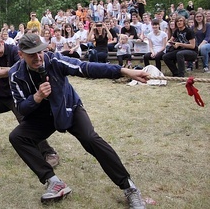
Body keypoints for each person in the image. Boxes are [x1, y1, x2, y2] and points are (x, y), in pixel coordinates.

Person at [8, 33, 148, 207]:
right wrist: (36, 97)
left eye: (40, 52)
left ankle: (129, 188)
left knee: (91, 139)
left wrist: (123, 71)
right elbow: (21, 108)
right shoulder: (15, 74)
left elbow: (85, 67)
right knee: (17, 137)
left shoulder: (54, 61)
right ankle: (53, 182)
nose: (38, 57)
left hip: (69, 108)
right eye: (32, 54)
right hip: (42, 116)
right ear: (20, 54)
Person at [0, 33, 59, 165]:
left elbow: (17, 70)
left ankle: (49, 152)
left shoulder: (15, 50)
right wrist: (14, 68)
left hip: (16, 97)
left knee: (27, 123)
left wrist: (10, 69)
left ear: (2, 42)